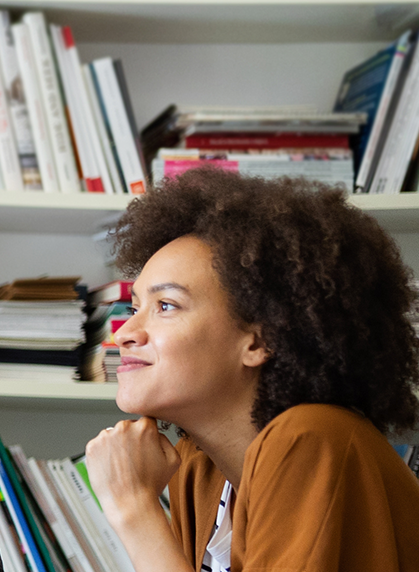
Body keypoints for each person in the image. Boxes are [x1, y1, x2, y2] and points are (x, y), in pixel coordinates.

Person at [83, 172, 419, 571]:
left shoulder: (313, 439)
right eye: (135, 307)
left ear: (260, 341)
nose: (125, 334)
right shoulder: (198, 468)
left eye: (167, 306)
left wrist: (135, 510)